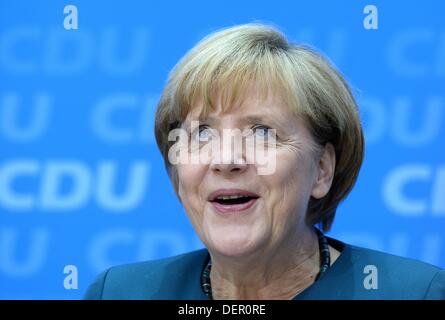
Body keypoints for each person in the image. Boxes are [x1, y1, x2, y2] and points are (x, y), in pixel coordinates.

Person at [85, 23, 445, 300]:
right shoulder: (120, 292)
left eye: (261, 133)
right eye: (202, 134)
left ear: (322, 169)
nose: (226, 160)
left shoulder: (414, 291)